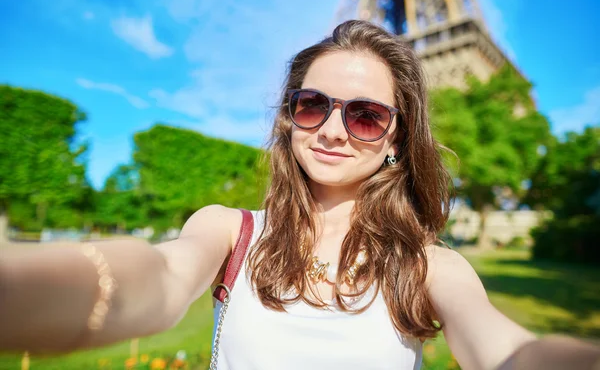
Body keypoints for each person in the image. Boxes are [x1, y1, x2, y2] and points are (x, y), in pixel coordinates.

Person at [0, 20, 599, 370]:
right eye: (313, 106)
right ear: (290, 118)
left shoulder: (429, 266)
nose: (334, 130)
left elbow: (498, 345)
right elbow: (155, 278)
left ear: (397, 138)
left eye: (366, 116)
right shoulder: (229, 231)